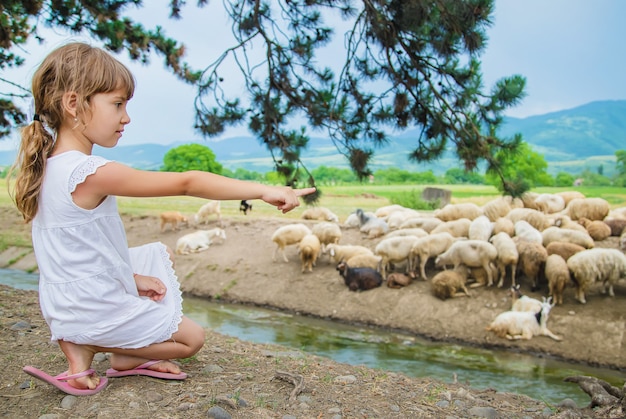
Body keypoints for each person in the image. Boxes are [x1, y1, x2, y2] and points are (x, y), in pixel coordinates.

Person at [9, 42, 315, 396]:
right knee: (191, 340)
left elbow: (76, 250)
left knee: (157, 259)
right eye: (118, 104)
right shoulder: (89, 172)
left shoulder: (46, 166)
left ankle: (84, 348)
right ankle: (99, 348)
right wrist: (261, 190)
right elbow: (186, 182)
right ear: (74, 104)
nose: (126, 118)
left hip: (64, 306)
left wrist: (133, 277)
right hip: (88, 309)